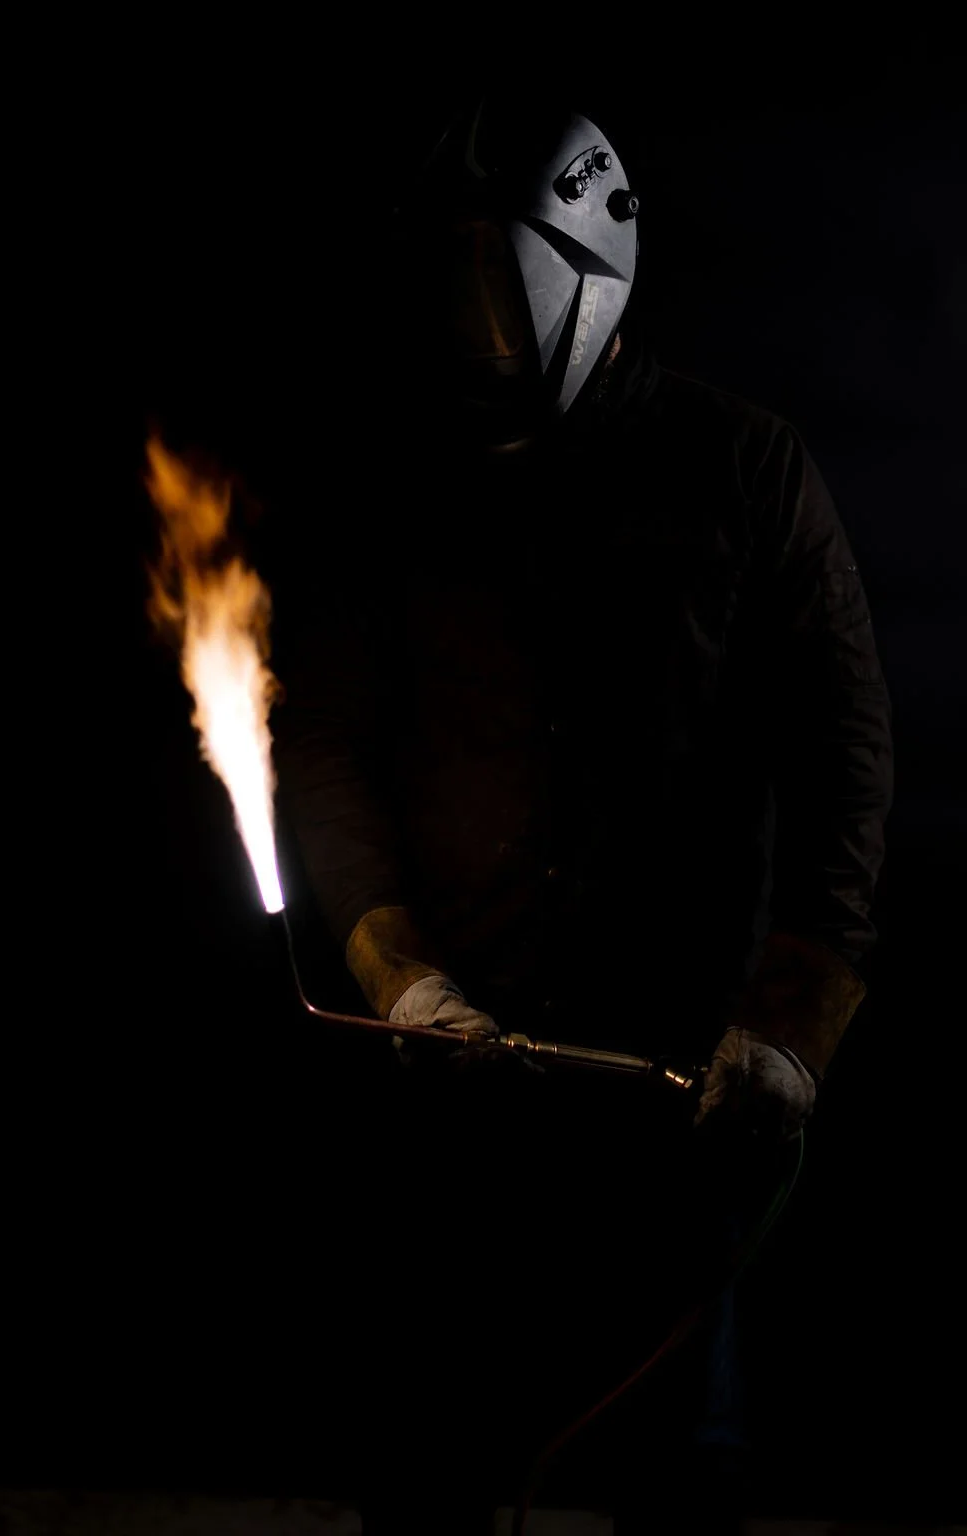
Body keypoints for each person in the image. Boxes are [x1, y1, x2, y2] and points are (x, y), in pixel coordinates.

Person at [274, 92, 893, 1535]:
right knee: (430, 1475)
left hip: (677, 1104)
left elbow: (844, 771)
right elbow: (330, 755)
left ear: (583, 269)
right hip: (456, 1103)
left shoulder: (747, 475)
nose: (476, 324)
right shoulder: (403, 487)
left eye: (500, 280)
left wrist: (793, 1028)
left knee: (681, 1477)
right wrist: (399, 973)